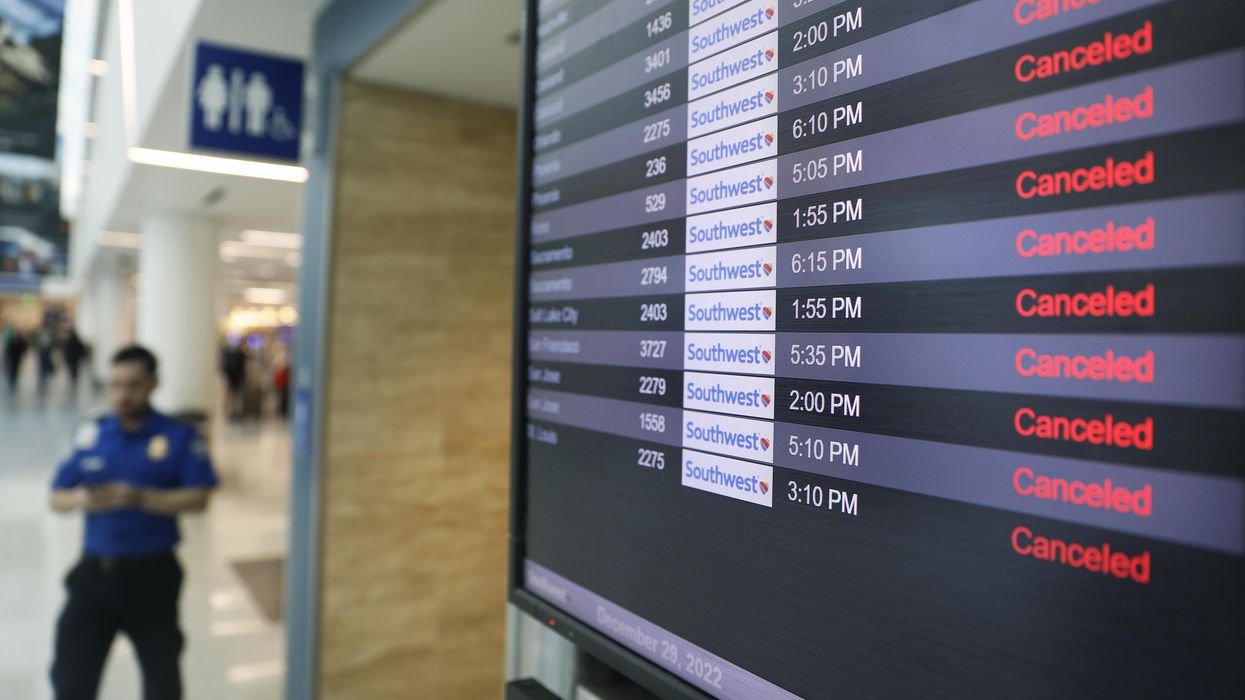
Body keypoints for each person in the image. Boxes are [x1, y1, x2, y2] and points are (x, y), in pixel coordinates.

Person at [49, 345, 218, 700]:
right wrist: (81, 499)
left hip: (153, 579)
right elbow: (56, 497)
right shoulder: (93, 434)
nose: (122, 395)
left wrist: (140, 497)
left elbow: (199, 497)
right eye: (115, 385)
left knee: (162, 685)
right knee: (71, 681)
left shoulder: (177, 436)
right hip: (95, 576)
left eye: (133, 385)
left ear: (153, 383)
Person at [3, 323, 27, 393]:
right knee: (12, 367)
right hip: (12, 356)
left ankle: (14, 377)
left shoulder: (22, 340)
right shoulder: (12, 340)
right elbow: (9, 348)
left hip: (18, 356)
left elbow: (24, 347)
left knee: (16, 367)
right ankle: (12, 377)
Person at [62, 327, 88, 391]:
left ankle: (73, 379)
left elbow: (66, 350)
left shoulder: (69, 340)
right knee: (74, 369)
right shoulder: (75, 340)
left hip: (72, 357)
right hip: (74, 358)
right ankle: (74, 379)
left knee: (72, 369)